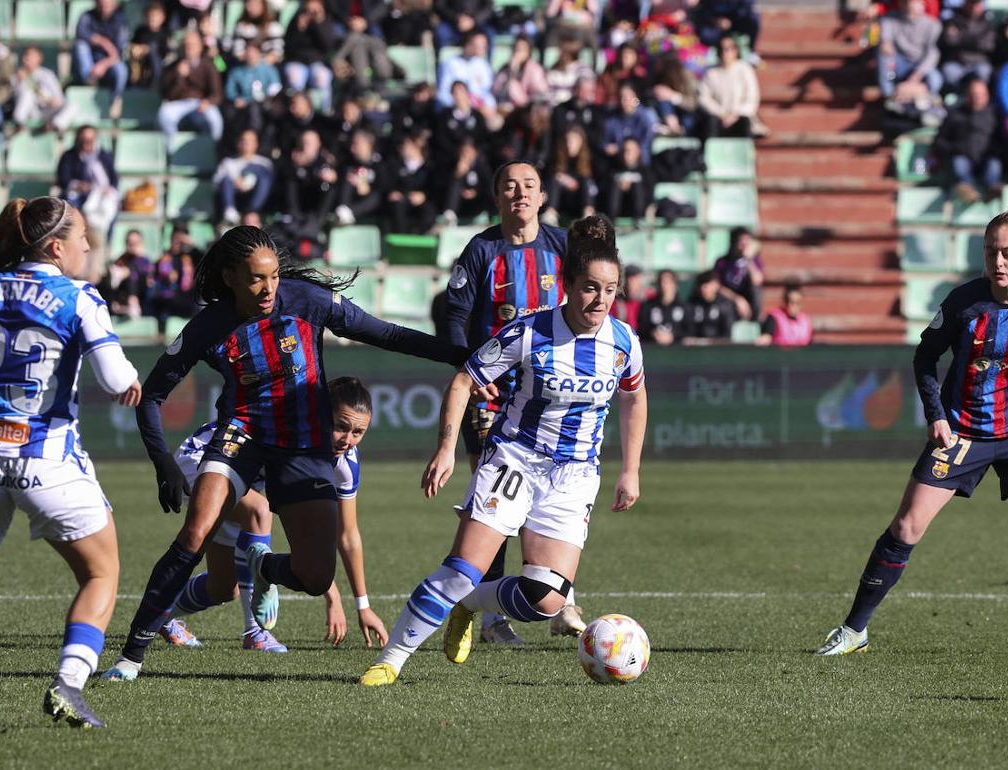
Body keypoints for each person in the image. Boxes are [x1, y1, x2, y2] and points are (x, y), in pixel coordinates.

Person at [100, 226, 463, 681]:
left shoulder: (308, 301)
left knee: (314, 576)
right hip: (242, 437)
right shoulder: (209, 326)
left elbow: (387, 334)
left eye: (273, 276)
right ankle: (130, 657)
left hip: (304, 445)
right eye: (256, 278)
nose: (269, 288)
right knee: (195, 534)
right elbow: (152, 397)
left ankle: (264, 566)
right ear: (231, 277)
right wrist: (165, 466)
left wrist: (460, 356)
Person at [359, 214, 648, 686]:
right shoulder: (528, 333)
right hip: (516, 459)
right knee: (460, 569)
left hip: (575, 475)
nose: (600, 300)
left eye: (611, 289)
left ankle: (471, 604)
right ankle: (390, 660)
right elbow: (462, 381)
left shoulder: (623, 342)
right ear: (569, 286)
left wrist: (630, 469)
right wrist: (448, 448)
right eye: (591, 288)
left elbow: (635, 398)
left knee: (548, 598)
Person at [814, 209, 1008, 658]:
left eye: (1007, 253)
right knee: (907, 525)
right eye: (991, 251)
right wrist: (936, 415)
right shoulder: (962, 303)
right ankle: (855, 631)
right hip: (963, 433)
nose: (998, 262)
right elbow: (924, 358)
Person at [0, 197, 141, 727]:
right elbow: (113, 380)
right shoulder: (79, 296)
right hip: (48, 461)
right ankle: (67, 684)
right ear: (56, 246)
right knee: (102, 572)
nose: (89, 246)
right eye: (83, 236)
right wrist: (130, 379)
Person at [107, 377, 389, 668]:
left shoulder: (345, 462)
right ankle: (255, 632)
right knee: (259, 511)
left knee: (223, 587)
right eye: (340, 426)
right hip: (202, 461)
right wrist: (329, 592)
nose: (348, 439)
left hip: (242, 486)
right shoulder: (291, 433)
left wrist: (361, 604)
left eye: (358, 432)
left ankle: (163, 617)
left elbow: (347, 535)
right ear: (318, 415)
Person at [444, 162, 597, 643]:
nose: (520, 193)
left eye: (529, 185)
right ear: (497, 197)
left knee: (553, 495)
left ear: (543, 196)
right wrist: (473, 370)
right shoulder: (480, 250)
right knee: (496, 502)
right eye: (510, 185)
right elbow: (453, 318)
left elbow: (592, 300)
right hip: (494, 393)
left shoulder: (561, 249)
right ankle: (489, 616)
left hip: (551, 393)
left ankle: (559, 598)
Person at [933, 77, 1002, 204]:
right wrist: (955, 149)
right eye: (974, 95)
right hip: (963, 157)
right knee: (958, 162)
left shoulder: (995, 115)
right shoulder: (955, 114)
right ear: (967, 95)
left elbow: (1003, 141)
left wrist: (994, 150)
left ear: (988, 96)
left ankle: (993, 189)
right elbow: (939, 141)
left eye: (981, 95)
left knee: (994, 164)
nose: (978, 98)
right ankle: (967, 190)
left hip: (987, 157)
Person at [157, 30, 225, 148]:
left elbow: (217, 94)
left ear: (200, 47)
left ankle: (213, 149)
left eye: (192, 45)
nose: (189, 48)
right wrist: (179, 77)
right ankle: (170, 151)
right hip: (178, 104)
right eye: (186, 45)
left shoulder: (208, 66)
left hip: (200, 103)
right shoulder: (173, 66)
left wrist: (208, 102)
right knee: (164, 114)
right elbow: (167, 95)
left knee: (215, 120)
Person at [57, 126, 121, 242]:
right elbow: (63, 179)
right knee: (69, 207)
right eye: (84, 139)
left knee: (110, 209)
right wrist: (78, 185)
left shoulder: (105, 156)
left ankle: (106, 243)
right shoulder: (69, 156)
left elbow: (114, 179)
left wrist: (108, 190)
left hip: (100, 195)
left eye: (90, 139)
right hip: (78, 194)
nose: (87, 143)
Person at [878, 0, 943, 102]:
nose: (916, 5)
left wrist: (917, 75)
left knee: (935, 80)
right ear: (901, 4)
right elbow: (885, 41)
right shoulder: (889, 19)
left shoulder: (933, 24)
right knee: (885, 56)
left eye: (918, 2)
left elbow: (932, 54)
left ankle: (906, 92)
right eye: (910, 2)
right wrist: (886, 43)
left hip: (919, 65)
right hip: (898, 66)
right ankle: (889, 94)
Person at [73, 0, 129, 119]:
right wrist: (103, 42)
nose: (104, 8)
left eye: (108, 5)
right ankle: (89, 81)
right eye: (102, 4)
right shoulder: (87, 16)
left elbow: (118, 53)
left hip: (109, 63)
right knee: (80, 46)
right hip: (90, 61)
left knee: (122, 70)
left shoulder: (120, 21)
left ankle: (115, 100)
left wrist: (103, 65)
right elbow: (81, 34)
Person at [696, 35, 760, 139]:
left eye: (728, 49)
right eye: (721, 49)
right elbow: (703, 97)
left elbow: (752, 98)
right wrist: (721, 113)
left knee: (745, 123)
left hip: (739, 117)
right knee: (709, 123)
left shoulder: (744, 70)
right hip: (718, 118)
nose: (724, 52)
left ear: (735, 50)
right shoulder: (711, 72)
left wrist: (735, 114)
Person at [284, 0, 338, 113]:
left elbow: (328, 46)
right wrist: (299, 29)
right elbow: (288, 46)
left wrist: (319, 24)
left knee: (321, 77)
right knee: (295, 77)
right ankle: (298, 111)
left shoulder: (326, 21)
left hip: (318, 62)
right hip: (297, 61)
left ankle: (324, 112)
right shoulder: (297, 19)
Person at [214, 129, 276, 226]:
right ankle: (230, 213)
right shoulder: (228, 162)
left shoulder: (265, 163)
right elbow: (217, 183)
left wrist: (249, 182)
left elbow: (269, 186)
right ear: (238, 143)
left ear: (256, 144)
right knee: (225, 180)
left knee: (264, 176)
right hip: (235, 197)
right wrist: (236, 181)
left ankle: (251, 212)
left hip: (256, 200)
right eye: (243, 140)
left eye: (250, 141)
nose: (246, 143)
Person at [12, 46, 76, 134]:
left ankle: (54, 126)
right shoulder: (16, 75)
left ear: (39, 58)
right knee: (27, 94)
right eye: (25, 55)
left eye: (30, 56)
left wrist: (53, 101)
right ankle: (19, 124)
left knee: (73, 106)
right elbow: (16, 97)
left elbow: (59, 96)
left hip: (48, 110)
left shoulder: (47, 74)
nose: (26, 58)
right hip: (31, 111)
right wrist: (21, 81)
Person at [544, 124, 598, 226]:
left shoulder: (590, 159)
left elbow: (593, 185)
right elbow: (550, 177)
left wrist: (575, 183)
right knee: (554, 180)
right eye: (567, 141)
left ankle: (588, 215)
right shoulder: (556, 157)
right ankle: (550, 214)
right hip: (562, 201)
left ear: (581, 143)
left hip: (580, 202)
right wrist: (562, 178)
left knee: (587, 181)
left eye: (574, 141)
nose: (570, 144)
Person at [938, 0, 995, 91]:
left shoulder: (987, 23)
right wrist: (976, 39)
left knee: (984, 72)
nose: (973, 7)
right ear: (965, 4)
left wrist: (961, 37)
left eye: (977, 4)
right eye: (971, 3)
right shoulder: (954, 19)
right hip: (957, 61)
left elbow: (987, 45)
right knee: (949, 72)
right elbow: (950, 41)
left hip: (978, 61)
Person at [712, 226, 764, 321]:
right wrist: (737, 299)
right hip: (729, 298)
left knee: (756, 292)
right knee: (724, 305)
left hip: (748, 299)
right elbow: (717, 286)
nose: (744, 244)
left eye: (747, 240)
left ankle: (754, 323)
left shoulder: (754, 261)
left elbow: (757, 281)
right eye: (741, 240)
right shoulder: (722, 262)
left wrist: (748, 259)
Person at [100, 229, 154, 320]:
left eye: (135, 242)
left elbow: (150, 280)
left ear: (141, 243)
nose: (132, 245)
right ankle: (130, 304)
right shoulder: (120, 261)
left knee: (133, 271)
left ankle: (133, 302)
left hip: (143, 299)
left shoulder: (146, 262)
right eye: (129, 242)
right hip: (122, 299)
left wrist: (139, 257)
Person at [493, 35, 549, 116]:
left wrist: (514, 75)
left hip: (526, 111)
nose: (517, 52)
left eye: (521, 50)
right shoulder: (505, 68)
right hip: (504, 108)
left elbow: (540, 91)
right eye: (516, 49)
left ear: (528, 52)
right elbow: (496, 90)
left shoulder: (534, 68)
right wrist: (511, 71)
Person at [639, 268, 689, 346]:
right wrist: (653, 334)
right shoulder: (648, 306)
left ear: (675, 284)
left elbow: (690, 331)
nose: (664, 286)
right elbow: (641, 328)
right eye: (661, 282)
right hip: (653, 350)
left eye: (668, 282)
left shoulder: (685, 307)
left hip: (678, 352)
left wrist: (673, 336)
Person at [129, 1, 172, 88]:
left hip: (157, 63)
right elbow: (132, 44)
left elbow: (165, 51)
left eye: (156, 16)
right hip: (140, 61)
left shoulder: (164, 34)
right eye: (150, 16)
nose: (152, 19)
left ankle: (154, 84)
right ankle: (135, 82)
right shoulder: (140, 31)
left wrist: (149, 50)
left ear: (162, 18)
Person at [685, 270, 736, 341]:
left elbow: (727, 333)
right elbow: (688, 330)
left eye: (706, 285)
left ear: (716, 285)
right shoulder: (693, 303)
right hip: (696, 348)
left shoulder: (725, 305)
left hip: (717, 348)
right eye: (701, 285)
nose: (703, 288)